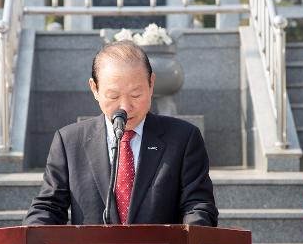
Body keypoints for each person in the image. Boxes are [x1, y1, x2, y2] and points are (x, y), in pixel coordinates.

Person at [23, 40, 218, 226]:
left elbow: (198, 206)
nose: (125, 107)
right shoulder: (69, 142)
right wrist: (31, 233)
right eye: (113, 96)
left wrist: (191, 236)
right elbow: (49, 207)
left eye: (136, 95)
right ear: (94, 89)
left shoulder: (183, 138)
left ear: (151, 84)